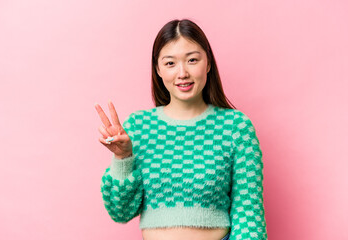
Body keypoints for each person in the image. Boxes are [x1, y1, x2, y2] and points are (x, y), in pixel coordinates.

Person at [95, 19, 268, 240]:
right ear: (157, 69)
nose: (182, 73)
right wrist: (122, 158)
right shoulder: (138, 126)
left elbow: (249, 213)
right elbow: (120, 212)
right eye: (170, 63)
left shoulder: (236, 127)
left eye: (192, 60)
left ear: (208, 63)